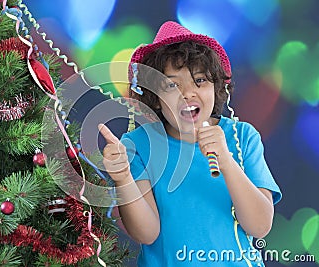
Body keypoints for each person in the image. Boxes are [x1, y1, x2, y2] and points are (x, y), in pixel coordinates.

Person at [98, 21, 282, 266]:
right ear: (154, 97)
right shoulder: (139, 144)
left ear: (217, 88)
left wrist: (226, 162)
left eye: (200, 81)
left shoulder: (242, 137)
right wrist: (123, 179)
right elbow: (146, 233)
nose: (187, 94)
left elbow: (260, 226)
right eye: (172, 85)